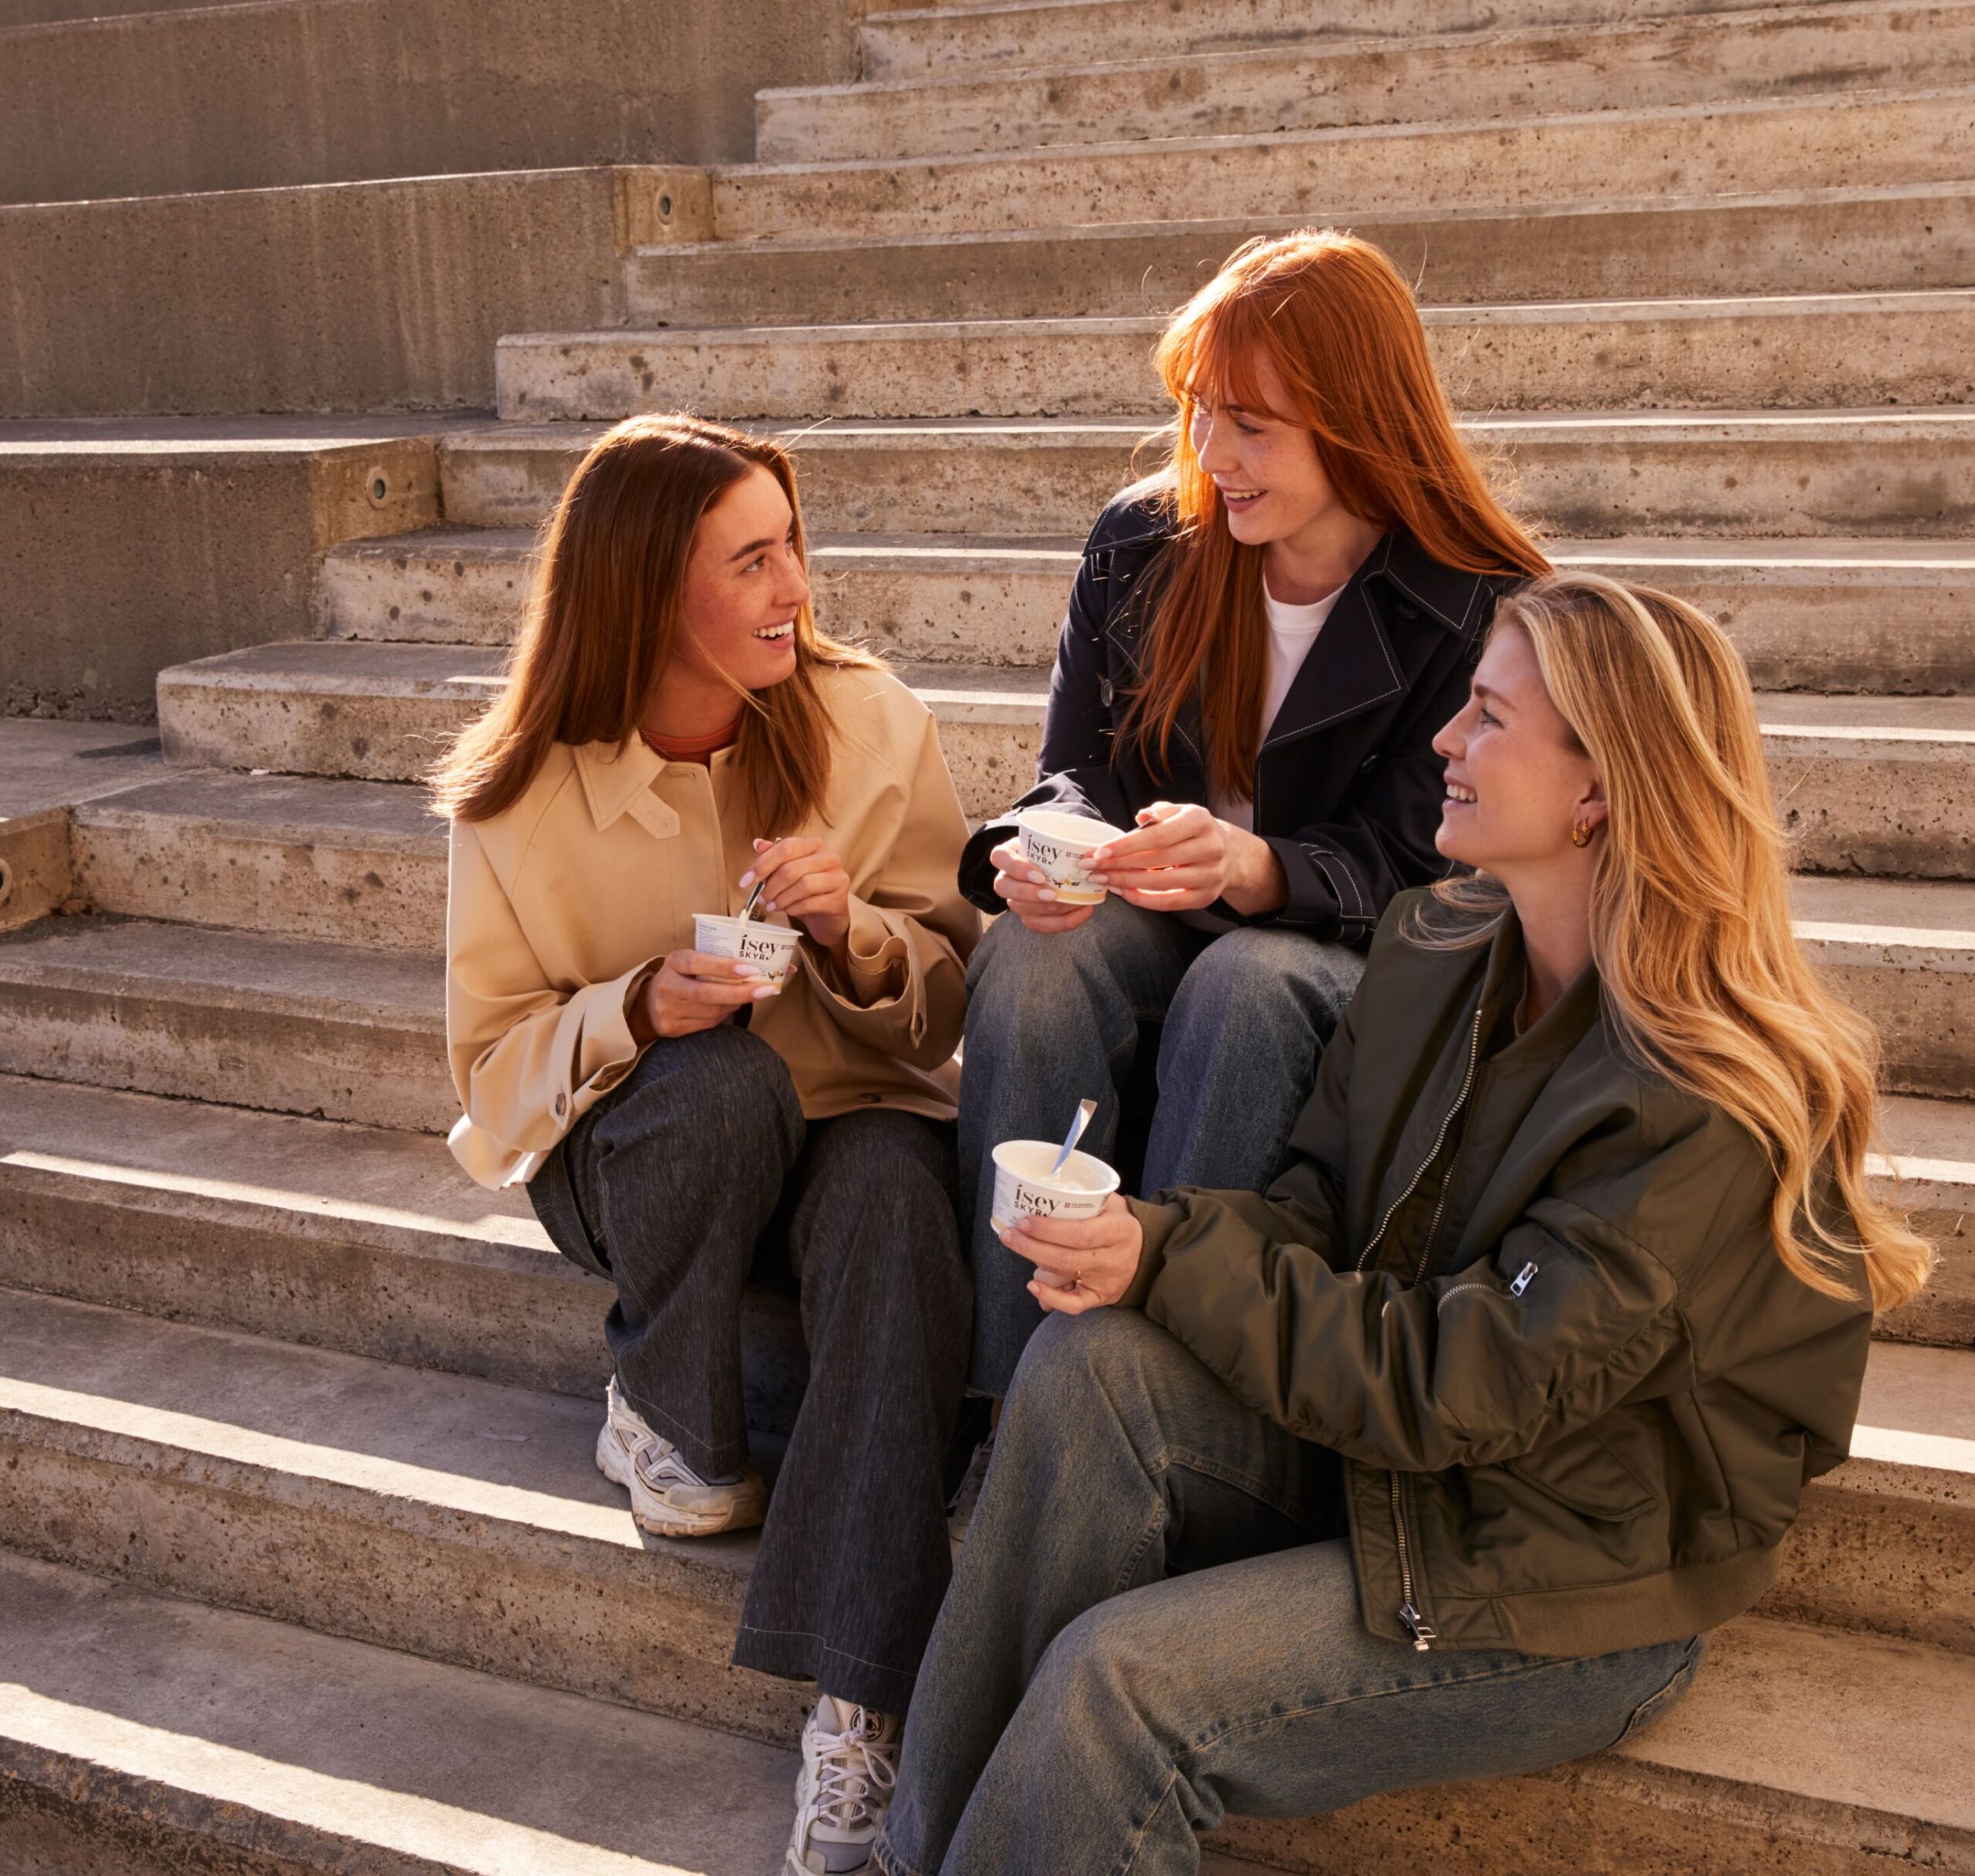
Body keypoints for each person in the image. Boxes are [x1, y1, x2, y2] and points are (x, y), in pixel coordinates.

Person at [876, 572, 1933, 1876]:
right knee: (1090, 1367)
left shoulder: (1706, 1097)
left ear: (1598, 790)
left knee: (1117, 1685)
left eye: (1487, 718)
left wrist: (1174, 1258)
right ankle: (912, 1858)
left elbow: (1461, 1386)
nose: (1444, 739)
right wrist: (1146, 1241)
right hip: (1409, 1472)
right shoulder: (1442, 947)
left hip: (1566, 1578)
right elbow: (1318, 1205)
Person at [433, 414, 981, 1876]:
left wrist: (850, 930)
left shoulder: (869, 720)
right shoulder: (518, 795)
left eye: (791, 542)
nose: (797, 581)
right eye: (753, 559)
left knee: (891, 1207)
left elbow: (944, 996)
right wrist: (637, 1010)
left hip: (854, 1122)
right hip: (647, 1155)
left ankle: (859, 1709)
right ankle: (666, 1403)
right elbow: (490, 1086)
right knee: (722, 1084)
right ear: (644, 592)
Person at [952, 231, 1552, 1446]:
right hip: (1153, 918)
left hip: (1351, 960)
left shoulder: (1480, 595)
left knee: (1249, 977)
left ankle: (1174, 1409)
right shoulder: (1144, 543)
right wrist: (1046, 850)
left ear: (1361, 422)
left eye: (1255, 427)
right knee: (1029, 956)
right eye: (1199, 416)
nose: (1214, 458)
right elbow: (1076, 771)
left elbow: (1452, 867)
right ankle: (1012, 1417)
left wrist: (1267, 868)